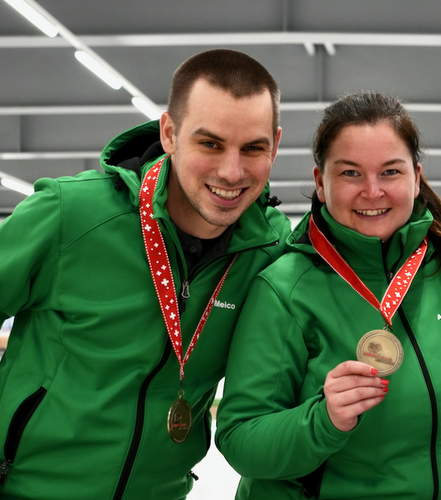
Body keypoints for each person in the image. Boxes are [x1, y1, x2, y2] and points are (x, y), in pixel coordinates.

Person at [0, 49, 288, 499]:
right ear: (170, 134)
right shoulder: (69, 215)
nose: (232, 172)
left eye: (253, 148)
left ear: (275, 144)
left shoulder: (269, 250)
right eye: (209, 143)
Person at [215, 91, 441, 499]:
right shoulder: (284, 287)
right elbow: (241, 439)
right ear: (320, 182)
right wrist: (323, 420)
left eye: (390, 172)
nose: (372, 191)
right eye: (350, 173)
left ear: (417, 177)